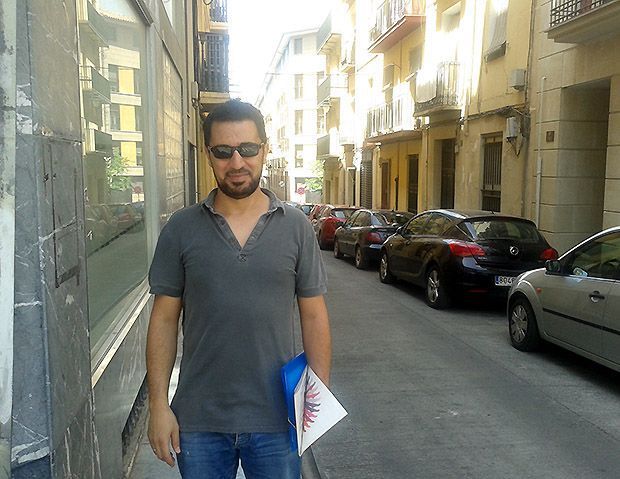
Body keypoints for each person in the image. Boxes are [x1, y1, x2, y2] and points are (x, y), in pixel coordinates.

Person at [146, 99, 331, 479]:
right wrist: (158, 406)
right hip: (199, 421)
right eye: (223, 151)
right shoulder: (181, 229)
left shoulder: (296, 227)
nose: (236, 162)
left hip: (279, 420)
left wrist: (316, 403)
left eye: (247, 149)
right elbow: (163, 320)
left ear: (264, 149)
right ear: (208, 155)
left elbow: (314, 316)